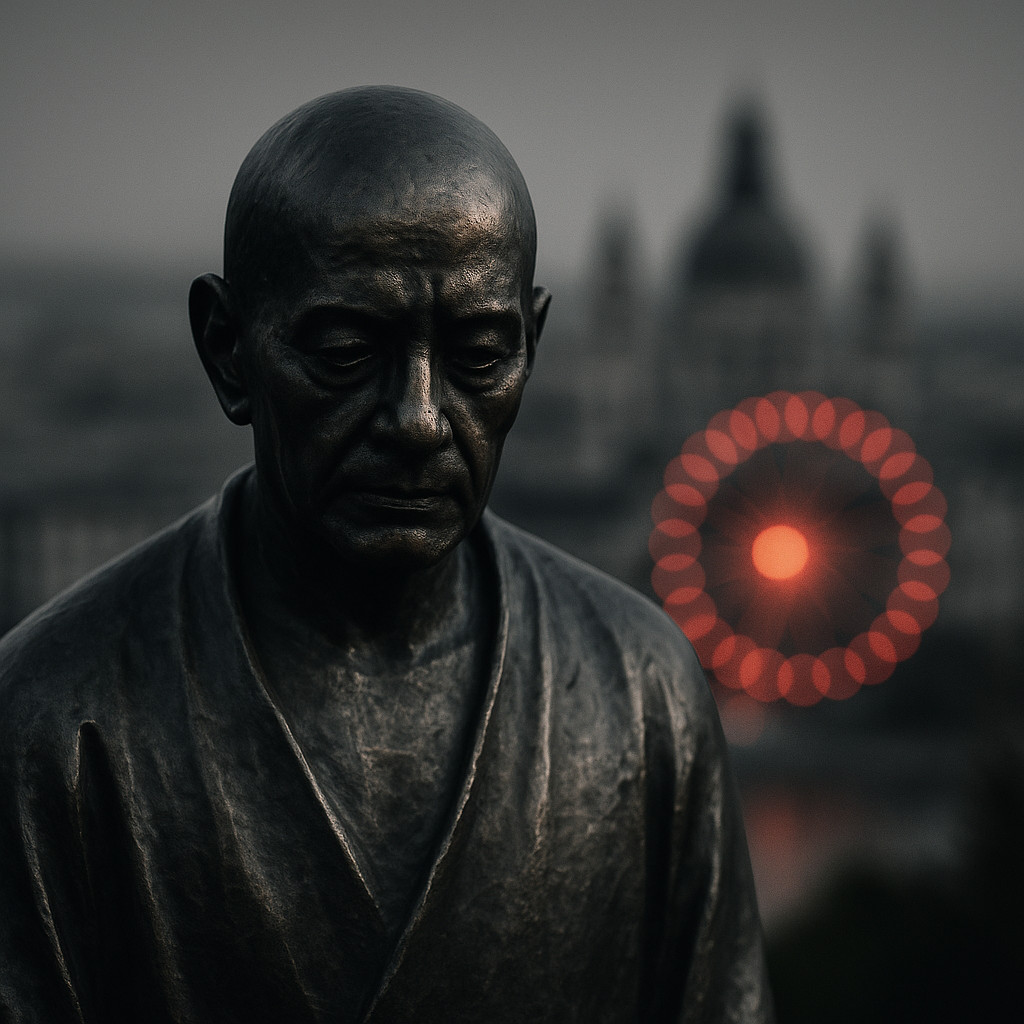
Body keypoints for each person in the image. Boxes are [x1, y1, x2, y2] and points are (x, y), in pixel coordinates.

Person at [0, 87, 773, 1023]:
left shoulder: (649, 694)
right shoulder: (45, 725)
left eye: (478, 356)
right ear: (226, 350)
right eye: (344, 351)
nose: (418, 419)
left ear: (533, 346)